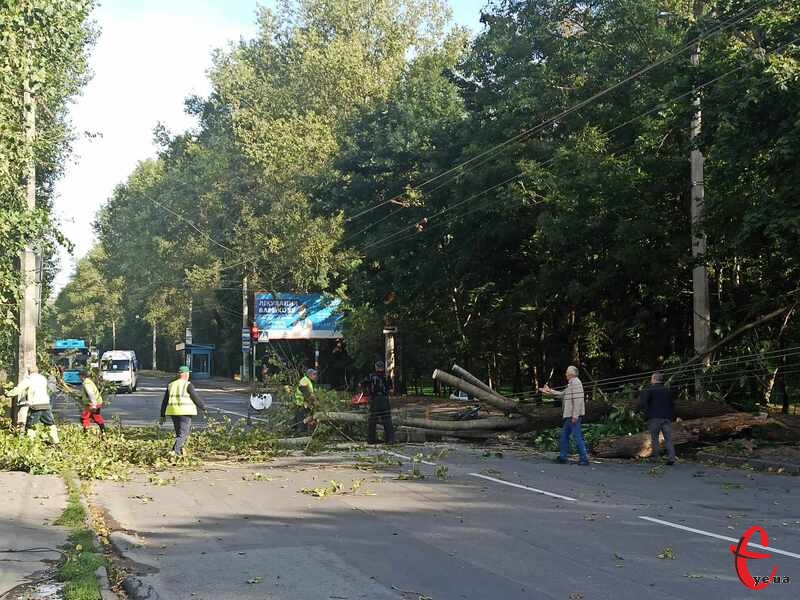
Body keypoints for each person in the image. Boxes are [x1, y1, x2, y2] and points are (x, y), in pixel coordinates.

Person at [540, 365, 588, 465]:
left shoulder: (576, 383)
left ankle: (584, 459)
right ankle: (562, 457)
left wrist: (575, 415)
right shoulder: (571, 384)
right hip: (569, 416)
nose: (565, 374)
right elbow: (562, 394)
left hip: (573, 416)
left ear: (572, 373)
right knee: (564, 436)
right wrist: (549, 391)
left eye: (567, 372)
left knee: (577, 437)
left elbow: (578, 400)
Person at [159, 366, 207, 457]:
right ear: (185, 374)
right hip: (185, 412)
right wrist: (203, 407)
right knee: (183, 434)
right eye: (188, 373)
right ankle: (175, 451)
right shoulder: (187, 384)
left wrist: (162, 415)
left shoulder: (171, 385)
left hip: (173, 412)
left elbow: (165, 401)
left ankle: (179, 452)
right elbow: (195, 398)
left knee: (179, 434)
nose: (189, 375)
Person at [7, 365, 59, 444]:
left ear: (28, 372)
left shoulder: (29, 379)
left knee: (31, 425)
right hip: (45, 404)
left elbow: (19, 389)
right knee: (50, 423)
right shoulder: (42, 378)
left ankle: (29, 443)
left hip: (36, 405)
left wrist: (8, 394)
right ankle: (55, 441)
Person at [638, 371, 677, 465]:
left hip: (654, 417)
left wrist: (640, 411)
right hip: (667, 417)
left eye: (651, 378)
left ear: (654, 379)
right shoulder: (667, 390)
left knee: (654, 438)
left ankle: (656, 458)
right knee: (668, 438)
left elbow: (643, 402)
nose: (651, 380)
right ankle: (671, 457)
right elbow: (672, 404)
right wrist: (672, 416)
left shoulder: (650, 389)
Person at [364, 361, 395, 444]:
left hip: (375, 400)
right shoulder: (387, 376)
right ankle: (390, 439)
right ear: (383, 367)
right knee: (387, 419)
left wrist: (368, 393)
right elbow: (391, 390)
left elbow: (363, 385)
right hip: (384, 399)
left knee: (373, 420)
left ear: (376, 367)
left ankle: (371, 439)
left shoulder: (371, 376)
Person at [79, 370, 106, 435]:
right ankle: (103, 432)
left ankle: (86, 433)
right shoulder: (89, 381)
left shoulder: (87, 383)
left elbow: (91, 394)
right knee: (96, 417)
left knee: (84, 418)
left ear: (82, 376)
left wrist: (93, 405)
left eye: (79, 376)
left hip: (92, 404)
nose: (79, 378)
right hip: (95, 403)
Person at [294, 368, 318, 433]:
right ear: (309, 375)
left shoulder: (309, 381)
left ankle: (297, 430)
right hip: (301, 404)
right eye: (314, 374)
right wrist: (312, 400)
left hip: (304, 404)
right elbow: (304, 390)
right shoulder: (304, 380)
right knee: (302, 420)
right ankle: (300, 434)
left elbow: (310, 392)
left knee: (302, 419)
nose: (315, 376)